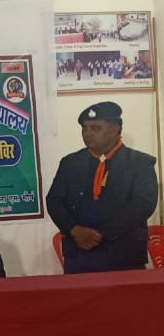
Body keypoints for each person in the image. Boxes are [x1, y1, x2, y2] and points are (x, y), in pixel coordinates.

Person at [47, 102, 158, 273]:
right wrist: (74, 230)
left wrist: (101, 234)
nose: (88, 133)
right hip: (79, 253)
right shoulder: (70, 163)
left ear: (115, 128)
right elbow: (54, 201)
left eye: (95, 128)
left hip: (124, 254)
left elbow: (143, 204)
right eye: (84, 128)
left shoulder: (140, 163)